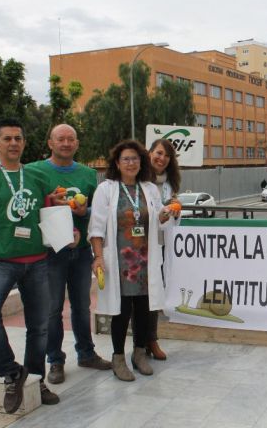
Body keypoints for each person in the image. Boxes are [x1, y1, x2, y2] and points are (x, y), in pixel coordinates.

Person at [0, 118, 59, 413]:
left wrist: (67, 231)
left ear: (24, 143)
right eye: (7, 139)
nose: (14, 143)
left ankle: (36, 378)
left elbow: (48, 211)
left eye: (18, 138)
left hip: (38, 261)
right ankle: (12, 373)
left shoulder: (36, 175)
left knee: (39, 327)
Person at [26, 124, 111, 385]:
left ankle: (86, 353)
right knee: (52, 310)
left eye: (70, 139)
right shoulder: (34, 171)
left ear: (77, 143)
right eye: (60, 139)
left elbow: (95, 212)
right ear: (50, 143)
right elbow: (30, 207)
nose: (66, 143)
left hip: (81, 251)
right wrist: (50, 202)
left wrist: (82, 215)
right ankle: (55, 360)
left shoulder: (87, 173)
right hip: (50, 253)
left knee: (82, 306)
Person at [88, 140, 179, 381]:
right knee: (121, 311)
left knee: (144, 309)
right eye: (126, 159)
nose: (131, 163)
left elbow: (158, 217)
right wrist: (98, 257)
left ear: (142, 162)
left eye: (135, 159)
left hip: (145, 261)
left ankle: (139, 353)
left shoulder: (149, 188)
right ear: (117, 163)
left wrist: (168, 213)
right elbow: (96, 228)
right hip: (119, 262)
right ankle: (118, 357)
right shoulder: (106, 190)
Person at [146, 138, 182, 360]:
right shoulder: (140, 179)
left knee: (155, 295)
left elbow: (167, 210)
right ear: (149, 153)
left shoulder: (169, 182)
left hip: (160, 244)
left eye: (166, 156)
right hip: (140, 246)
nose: (161, 158)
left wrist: (175, 208)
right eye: (158, 153)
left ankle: (151, 340)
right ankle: (144, 343)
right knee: (143, 297)